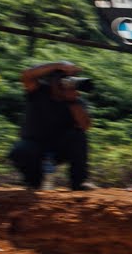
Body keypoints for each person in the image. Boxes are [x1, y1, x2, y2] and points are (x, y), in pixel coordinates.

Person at [8, 61, 95, 191]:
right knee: (21, 150)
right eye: (62, 79)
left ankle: (79, 182)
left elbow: (85, 126)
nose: (65, 83)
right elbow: (26, 75)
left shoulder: (76, 100)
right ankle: (33, 183)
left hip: (60, 149)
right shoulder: (38, 91)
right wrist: (58, 65)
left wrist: (72, 102)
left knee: (78, 136)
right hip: (34, 146)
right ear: (52, 81)